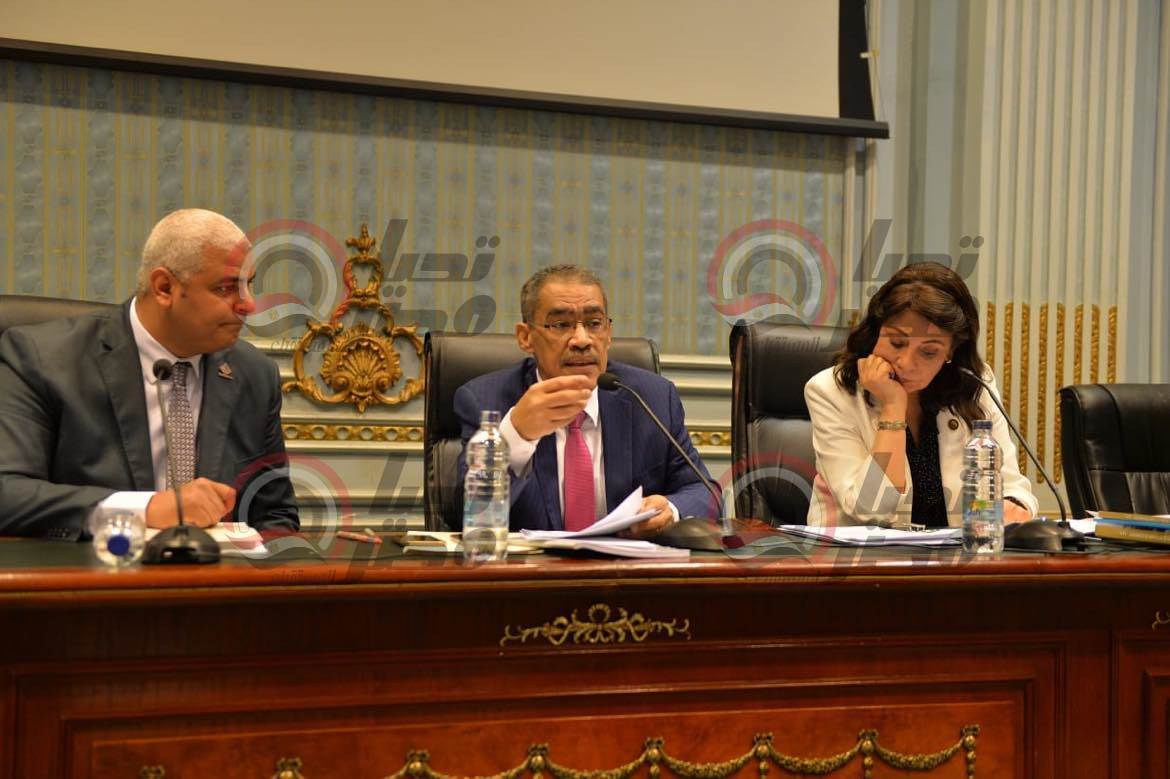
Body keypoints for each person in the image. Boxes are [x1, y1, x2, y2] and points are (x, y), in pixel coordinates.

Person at [0, 208, 298, 539]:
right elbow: (8, 493)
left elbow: (275, 515)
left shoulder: (254, 374)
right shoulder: (44, 358)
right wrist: (146, 509)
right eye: (225, 289)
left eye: (248, 284)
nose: (249, 305)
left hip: (219, 570)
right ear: (164, 288)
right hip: (94, 567)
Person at [453, 265, 717, 536]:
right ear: (526, 337)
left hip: (625, 562)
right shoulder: (485, 400)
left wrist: (671, 509)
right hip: (530, 563)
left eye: (594, 324)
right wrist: (516, 435)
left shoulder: (652, 398)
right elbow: (461, 513)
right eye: (561, 325)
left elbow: (704, 492)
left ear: (608, 333)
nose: (581, 340)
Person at [805, 261, 1038, 526]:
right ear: (876, 333)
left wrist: (1014, 506)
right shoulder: (830, 391)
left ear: (951, 352)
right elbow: (872, 510)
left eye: (928, 352)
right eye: (896, 343)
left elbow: (1012, 485)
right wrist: (893, 406)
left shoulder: (974, 384)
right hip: (857, 551)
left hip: (955, 550)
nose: (906, 363)